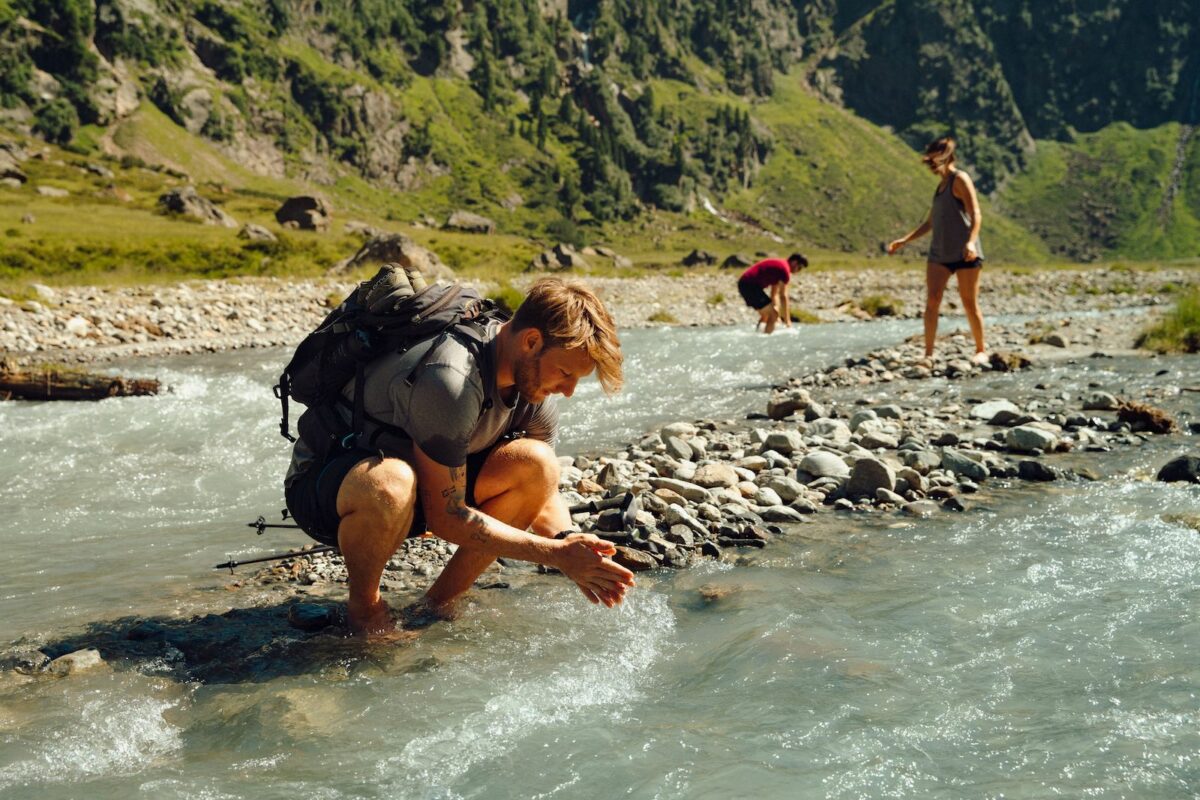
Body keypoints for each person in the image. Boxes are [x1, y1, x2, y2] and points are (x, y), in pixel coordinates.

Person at [283, 277, 636, 635]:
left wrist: (567, 540)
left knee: (538, 463)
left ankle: (436, 605)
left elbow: (542, 488)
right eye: (565, 373)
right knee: (391, 483)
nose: (569, 391)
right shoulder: (451, 379)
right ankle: (365, 612)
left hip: (425, 486)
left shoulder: (531, 384)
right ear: (531, 342)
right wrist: (553, 556)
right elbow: (447, 518)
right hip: (329, 484)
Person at [887, 135, 987, 363]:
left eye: (935, 158)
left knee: (969, 302)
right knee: (932, 301)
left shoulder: (959, 179)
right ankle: (928, 354)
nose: (931, 164)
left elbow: (976, 213)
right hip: (940, 252)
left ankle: (981, 350)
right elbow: (930, 223)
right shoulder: (940, 186)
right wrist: (905, 240)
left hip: (965, 252)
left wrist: (971, 242)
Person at [737, 253, 808, 334]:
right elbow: (783, 296)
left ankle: (758, 334)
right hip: (750, 285)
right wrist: (787, 320)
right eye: (799, 268)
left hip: (746, 284)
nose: (798, 271)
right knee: (773, 314)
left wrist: (777, 312)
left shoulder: (780, 267)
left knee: (768, 314)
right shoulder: (785, 270)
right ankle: (766, 338)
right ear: (794, 263)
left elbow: (774, 294)